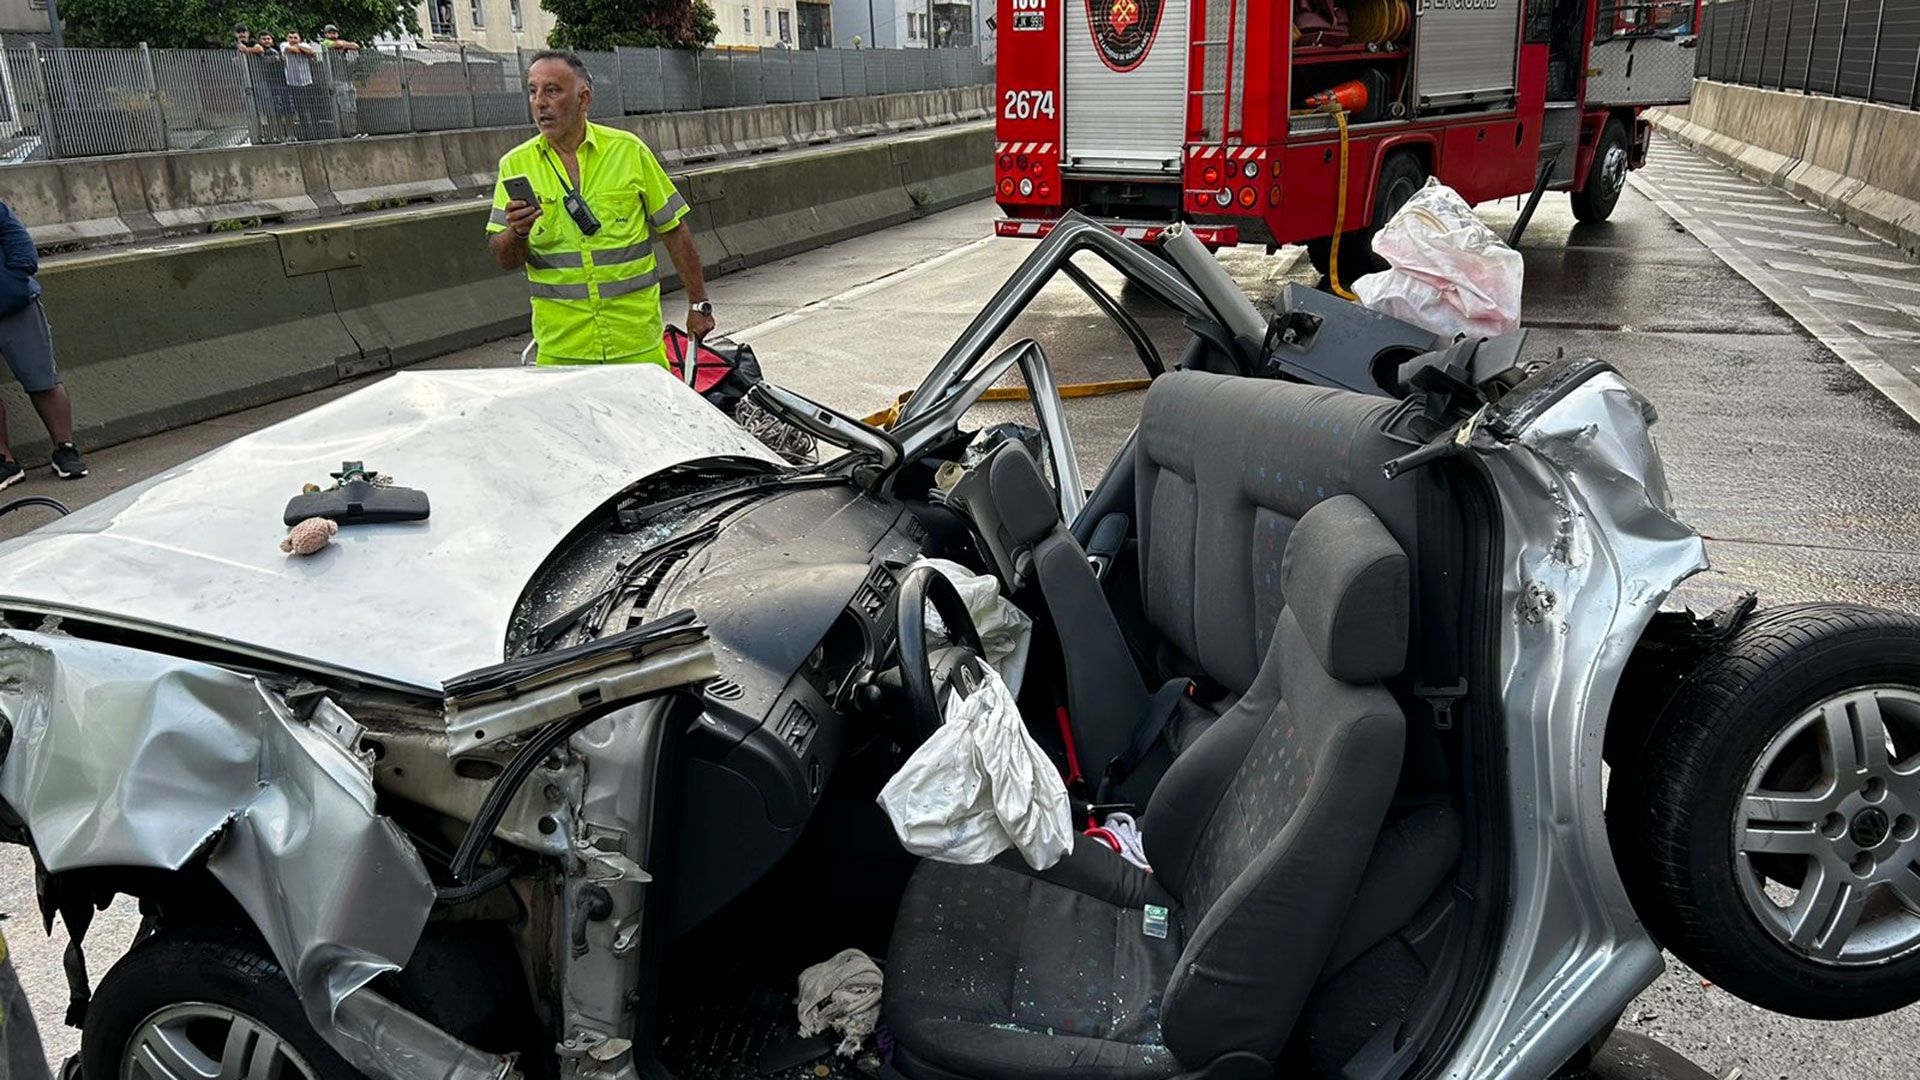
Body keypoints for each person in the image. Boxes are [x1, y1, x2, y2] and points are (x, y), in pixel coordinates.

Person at [487, 51, 714, 369]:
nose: (540, 102)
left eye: (552, 91)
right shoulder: (515, 165)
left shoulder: (629, 152)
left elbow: (674, 231)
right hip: (562, 350)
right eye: (533, 90)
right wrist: (518, 231)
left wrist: (698, 304)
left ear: (584, 99)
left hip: (635, 344)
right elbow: (504, 257)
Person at [1, 199, 87, 489]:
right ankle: (5, 462)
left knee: (42, 380)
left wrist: (11, 282)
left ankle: (65, 448)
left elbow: (20, 244)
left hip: (13, 305)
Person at [321, 25, 363, 137]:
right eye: (329, 33)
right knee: (344, 108)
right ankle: (347, 132)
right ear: (325, 34)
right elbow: (338, 44)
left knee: (352, 107)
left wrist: (344, 45)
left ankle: (354, 131)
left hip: (347, 80)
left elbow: (356, 46)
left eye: (334, 32)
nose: (332, 35)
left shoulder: (341, 43)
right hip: (337, 80)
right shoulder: (325, 43)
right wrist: (344, 45)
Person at [280, 31, 323, 140]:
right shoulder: (284, 44)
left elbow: (312, 52)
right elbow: (291, 49)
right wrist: (302, 50)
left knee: (313, 109)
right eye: (290, 37)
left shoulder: (303, 45)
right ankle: (306, 134)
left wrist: (300, 47)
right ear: (287, 38)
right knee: (301, 110)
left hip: (307, 82)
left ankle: (317, 133)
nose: (293, 39)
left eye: (295, 37)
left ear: (299, 38)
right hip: (293, 83)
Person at [253, 32, 293, 142]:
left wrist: (279, 59)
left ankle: (290, 135)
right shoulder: (260, 53)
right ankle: (278, 135)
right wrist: (275, 59)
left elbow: (284, 62)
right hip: (270, 84)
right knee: (276, 110)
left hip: (283, 82)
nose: (266, 41)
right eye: (263, 39)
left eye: (268, 38)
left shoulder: (277, 50)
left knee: (288, 109)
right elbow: (265, 63)